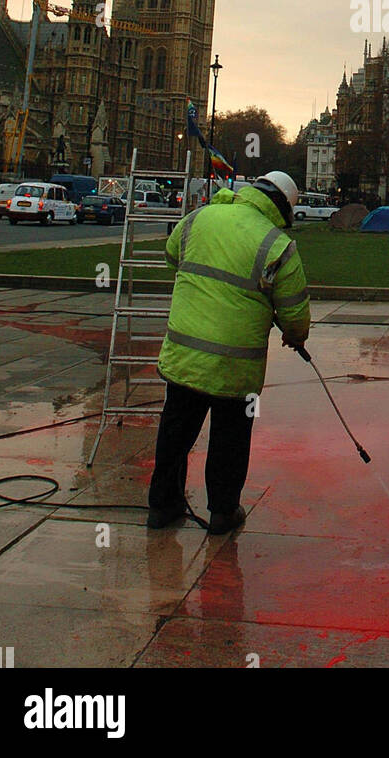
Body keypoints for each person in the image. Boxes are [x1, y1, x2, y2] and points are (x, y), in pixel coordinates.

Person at [147, 170, 309, 534]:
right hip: (237, 368)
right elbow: (295, 314)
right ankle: (222, 512)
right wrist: (295, 336)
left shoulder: (199, 217)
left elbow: (172, 255)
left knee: (175, 432)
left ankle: (161, 506)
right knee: (230, 440)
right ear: (283, 208)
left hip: (185, 357)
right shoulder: (277, 244)